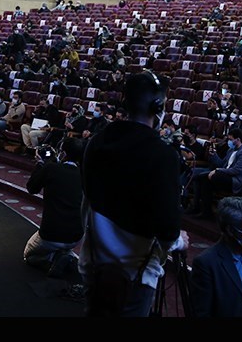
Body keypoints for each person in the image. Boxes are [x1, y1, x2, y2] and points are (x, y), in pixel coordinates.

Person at [79, 71, 188, 317]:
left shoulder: (96, 142)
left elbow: (87, 200)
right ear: (158, 106)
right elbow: (168, 228)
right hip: (134, 273)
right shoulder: (164, 156)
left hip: (94, 263)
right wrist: (179, 241)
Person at [23, 145, 84, 278]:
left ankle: (50, 262)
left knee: (29, 255)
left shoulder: (51, 169)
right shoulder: (84, 175)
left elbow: (32, 188)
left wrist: (40, 163)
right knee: (61, 247)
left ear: (63, 153)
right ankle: (65, 255)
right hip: (76, 235)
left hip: (51, 233)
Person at [188, 128, 242, 219]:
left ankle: (205, 212)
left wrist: (217, 170)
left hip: (235, 181)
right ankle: (200, 208)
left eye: (230, 139)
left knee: (209, 177)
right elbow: (222, 164)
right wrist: (214, 155)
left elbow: (235, 171)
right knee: (201, 178)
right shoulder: (231, 150)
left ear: (238, 140)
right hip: (225, 176)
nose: (228, 141)